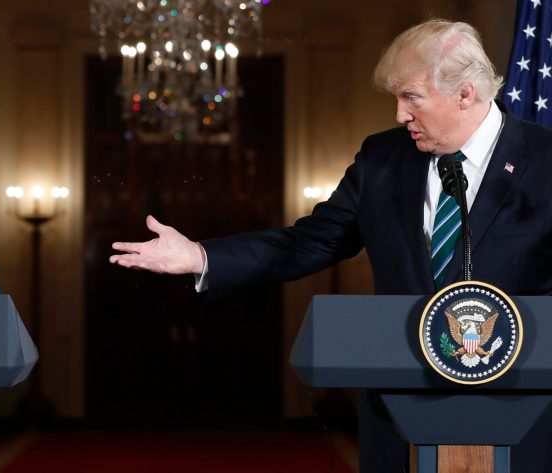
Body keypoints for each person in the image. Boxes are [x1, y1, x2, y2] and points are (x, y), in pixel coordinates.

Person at [110, 19, 552, 472]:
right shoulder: (383, 157)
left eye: (411, 97)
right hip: (399, 409)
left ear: (464, 94)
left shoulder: (544, 160)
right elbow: (311, 241)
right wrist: (202, 257)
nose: (399, 114)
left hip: (520, 412)